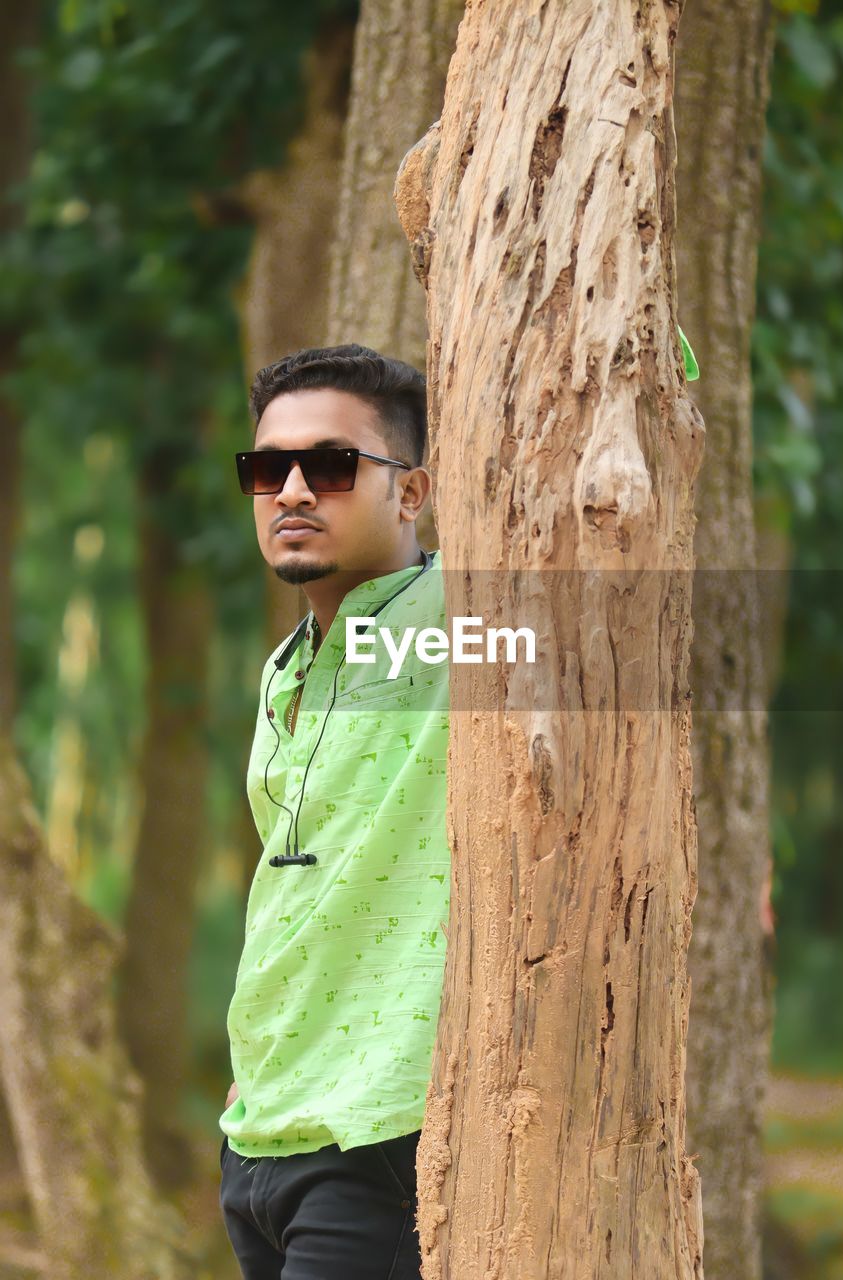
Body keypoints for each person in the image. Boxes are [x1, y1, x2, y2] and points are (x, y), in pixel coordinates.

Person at [218, 343, 450, 1280]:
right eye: (270, 469)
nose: (295, 491)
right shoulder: (286, 669)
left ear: (410, 491)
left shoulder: (461, 625)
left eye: (334, 465)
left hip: (376, 1135)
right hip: (260, 1130)